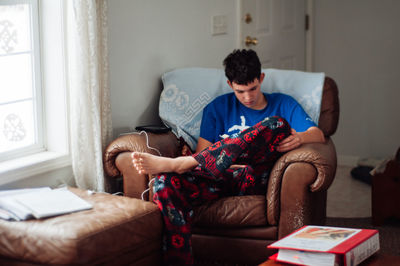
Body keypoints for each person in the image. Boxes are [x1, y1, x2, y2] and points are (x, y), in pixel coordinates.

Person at [131, 49, 325, 265]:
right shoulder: (217, 107)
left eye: (253, 88)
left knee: (277, 123)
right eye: (241, 91)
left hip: (256, 175)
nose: (248, 97)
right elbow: (205, 156)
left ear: (261, 79)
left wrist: (299, 138)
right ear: (230, 83)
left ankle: (181, 163)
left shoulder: (283, 103)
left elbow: (318, 135)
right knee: (163, 182)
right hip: (221, 176)